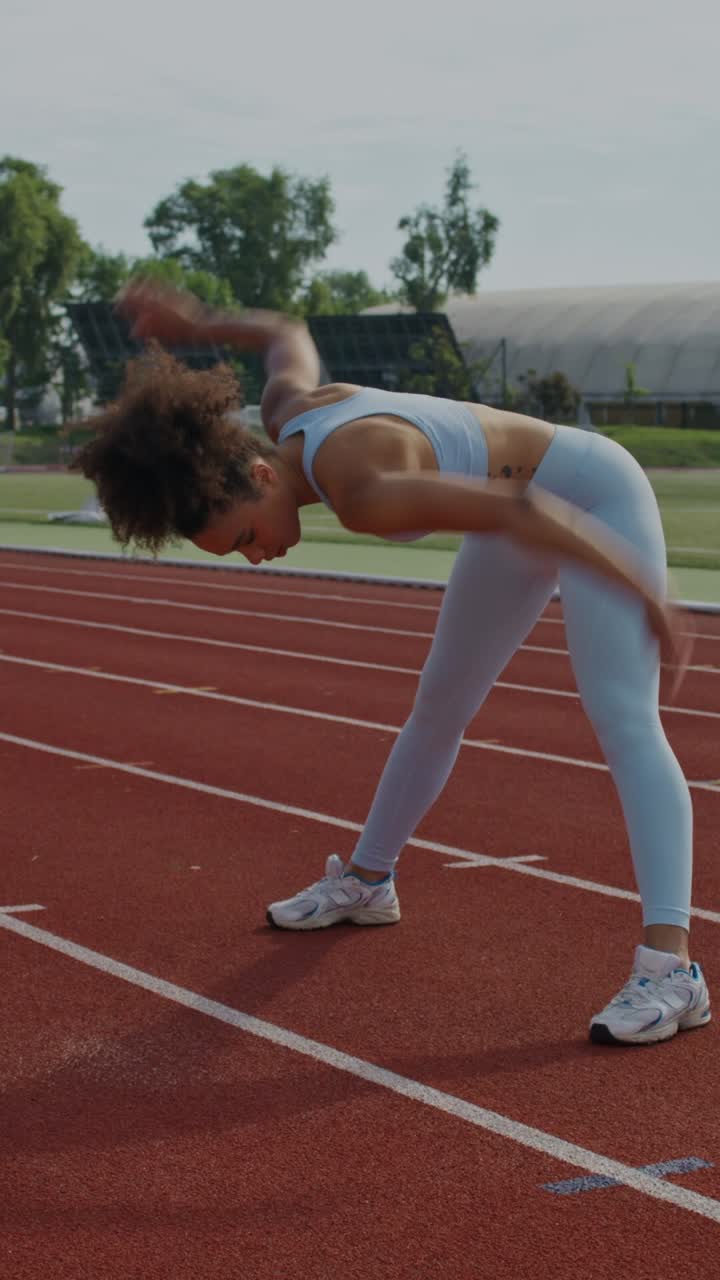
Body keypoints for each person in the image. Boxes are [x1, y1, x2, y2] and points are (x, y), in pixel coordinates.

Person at [74, 280, 710, 1046]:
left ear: (263, 478)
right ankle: (368, 881)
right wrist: (204, 324)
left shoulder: (363, 491)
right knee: (441, 703)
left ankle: (673, 970)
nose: (256, 559)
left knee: (622, 714)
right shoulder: (285, 419)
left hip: (590, 496)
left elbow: (529, 513)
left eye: (245, 538)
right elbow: (285, 332)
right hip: (517, 503)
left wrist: (647, 592)